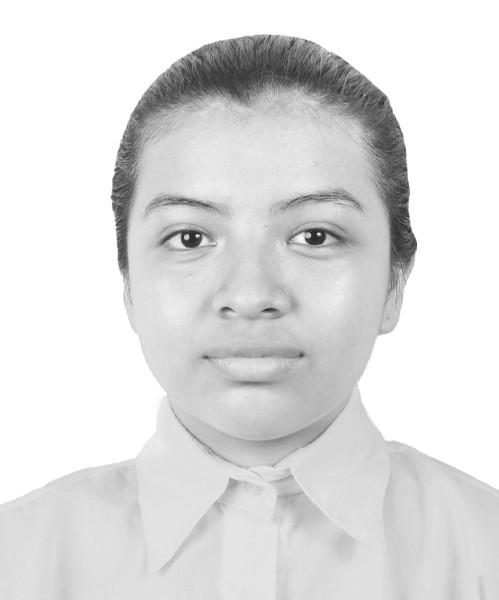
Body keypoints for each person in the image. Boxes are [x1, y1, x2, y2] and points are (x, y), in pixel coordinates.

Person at [0, 33, 497, 599]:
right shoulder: (16, 560)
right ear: (128, 283)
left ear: (394, 282)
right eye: (190, 237)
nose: (250, 293)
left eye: (315, 236)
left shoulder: (487, 553)